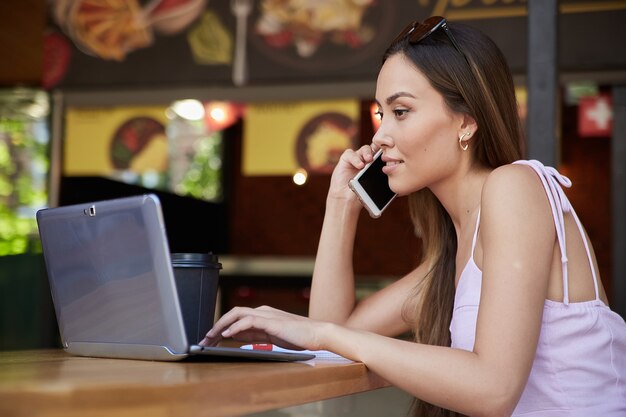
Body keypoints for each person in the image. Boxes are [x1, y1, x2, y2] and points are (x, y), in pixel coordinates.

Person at [200, 16, 626, 416]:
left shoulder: (516, 186)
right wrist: (340, 206)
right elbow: (330, 342)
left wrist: (323, 335)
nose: (380, 134)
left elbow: (495, 388)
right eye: (381, 114)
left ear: (466, 121)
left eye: (400, 112)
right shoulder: (446, 266)